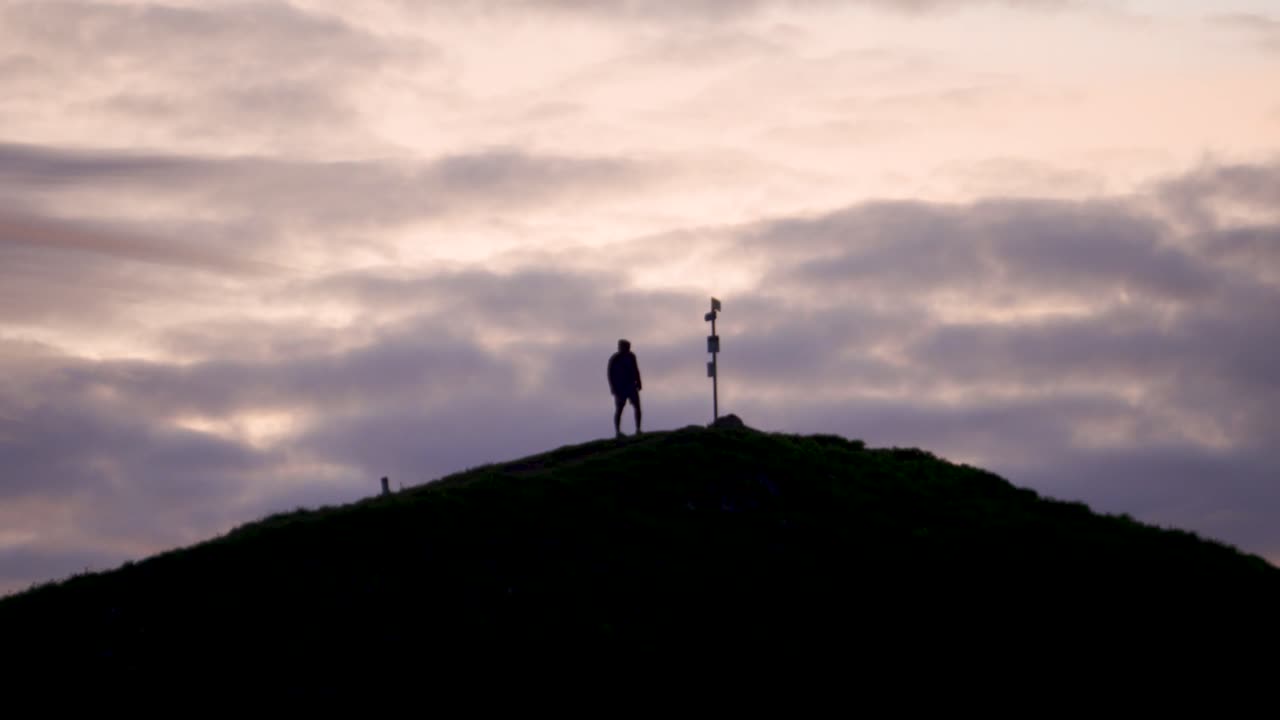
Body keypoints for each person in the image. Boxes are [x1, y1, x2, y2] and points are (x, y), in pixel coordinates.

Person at [607, 338, 642, 438]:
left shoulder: (631, 356)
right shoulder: (615, 359)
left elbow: (636, 369)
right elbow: (610, 374)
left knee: (637, 407)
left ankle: (638, 429)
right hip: (620, 388)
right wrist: (613, 388)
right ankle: (618, 432)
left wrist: (639, 382)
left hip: (631, 386)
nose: (627, 349)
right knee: (619, 409)